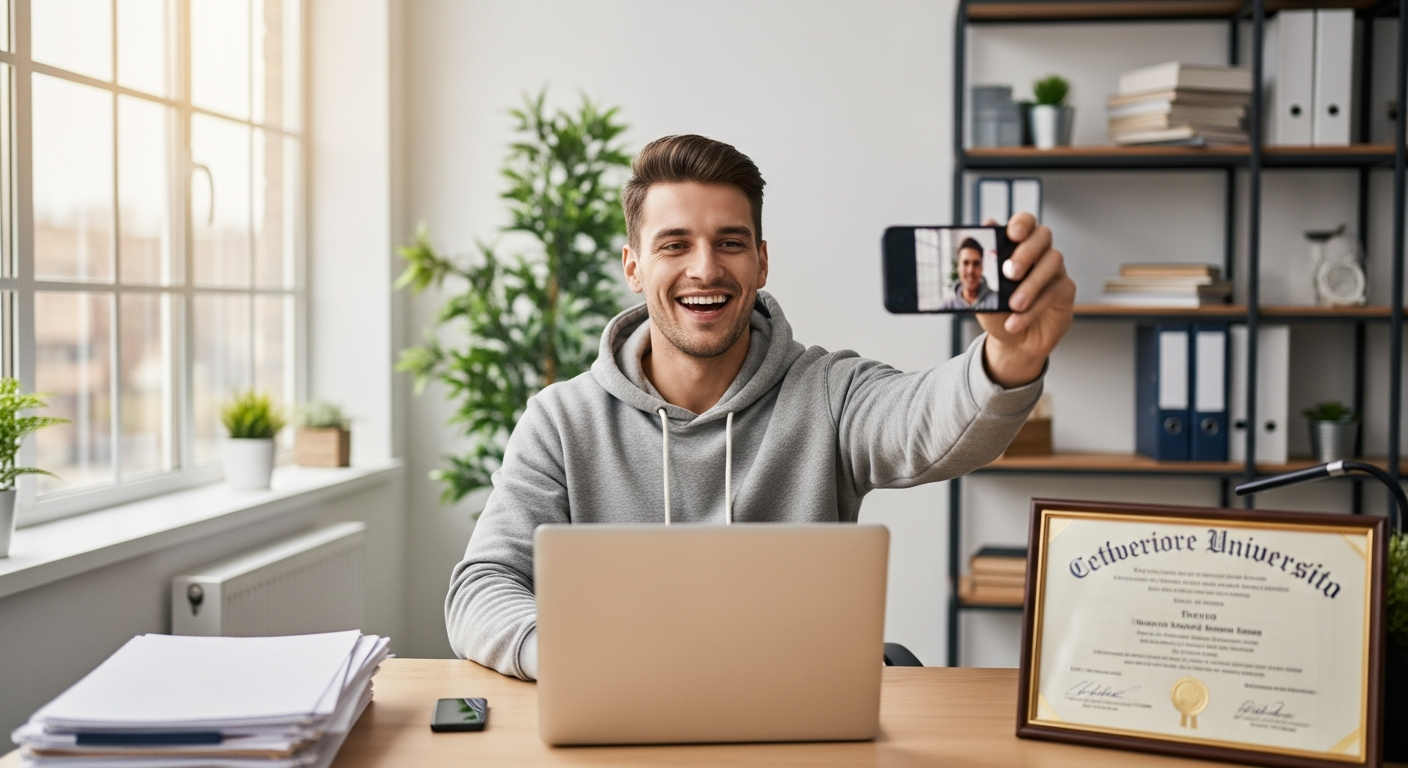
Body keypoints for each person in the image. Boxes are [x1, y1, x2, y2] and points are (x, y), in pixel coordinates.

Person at [446, 134, 1075, 680]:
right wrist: (570, 654)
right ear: (634, 267)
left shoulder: (828, 392)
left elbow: (927, 420)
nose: (705, 269)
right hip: (620, 712)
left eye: (730, 242)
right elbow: (482, 586)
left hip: (799, 723)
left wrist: (1008, 357)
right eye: (674, 245)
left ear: (761, 261)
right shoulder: (561, 420)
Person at [937, 237, 999, 310]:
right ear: (958, 267)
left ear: (981, 268)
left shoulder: (998, 301)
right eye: (965, 263)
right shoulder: (946, 306)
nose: (970, 270)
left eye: (976, 263)